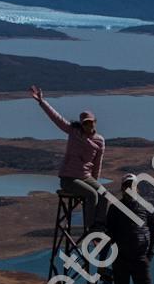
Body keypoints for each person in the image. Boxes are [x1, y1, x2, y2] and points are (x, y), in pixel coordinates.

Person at [29, 85, 106, 225]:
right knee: (92, 194)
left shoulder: (100, 141)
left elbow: (97, 164)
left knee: (104, 194)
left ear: (95, 122)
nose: (88, 125)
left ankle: (100, 224)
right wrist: (41, 101)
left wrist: (96, 182)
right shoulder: (73, 132)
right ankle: (91, 228)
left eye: (90, 122)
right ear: (81, 124)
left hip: (86, 178)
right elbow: (56, 118)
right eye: (85, 123)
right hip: (69, 179)